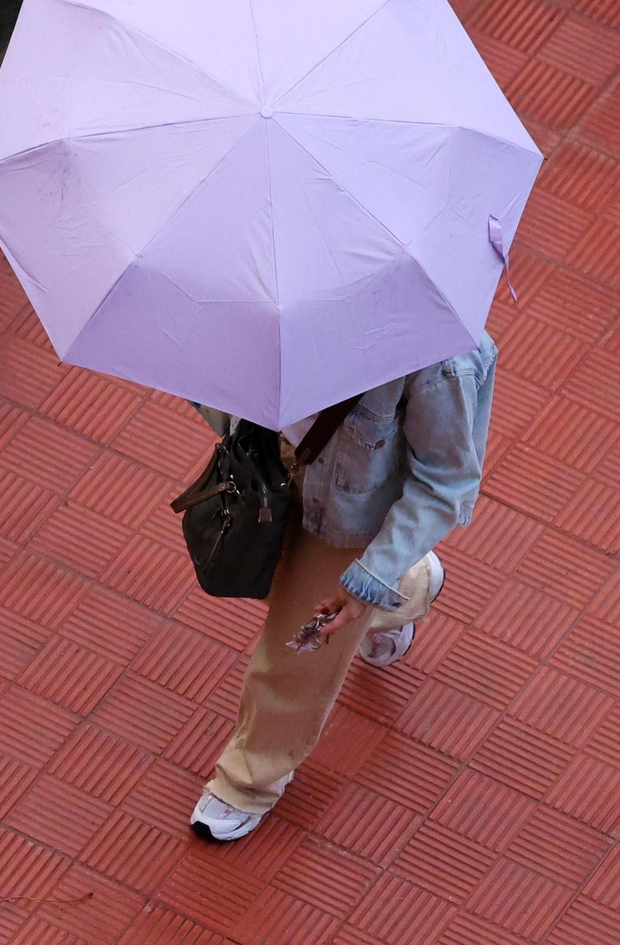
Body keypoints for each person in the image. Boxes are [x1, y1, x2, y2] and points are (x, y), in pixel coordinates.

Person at [188, 336, 498, 842]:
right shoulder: (275, 290)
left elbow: (447, 481)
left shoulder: (439, 356)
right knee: (270, 583)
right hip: (274, 470)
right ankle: (408, 583)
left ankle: (249, 779)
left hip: (351, 517)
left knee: (298, 649)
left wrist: (367, 576)